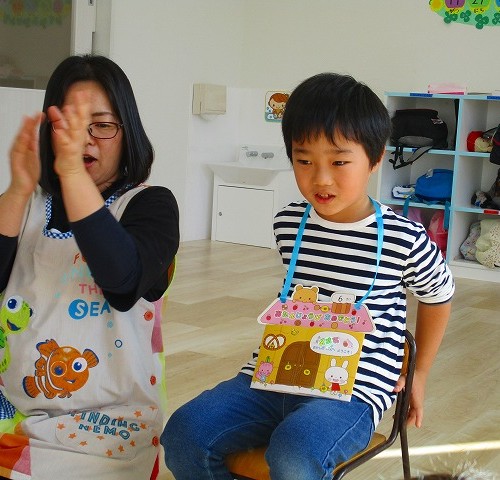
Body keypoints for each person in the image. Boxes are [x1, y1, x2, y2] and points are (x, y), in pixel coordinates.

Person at [161, 72, 454, 480]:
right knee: (184, 433)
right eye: (304, 160)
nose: (321, 178)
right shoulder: (288, 224)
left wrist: (418, 373)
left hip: (353, 391)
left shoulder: (403, 238)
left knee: (295, 450)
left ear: (375, 159)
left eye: (339, 161)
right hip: (275, 374)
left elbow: (439, 295)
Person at [0, 55, 179, 479]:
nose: (84, 141)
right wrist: (18, 189)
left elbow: (123, 281)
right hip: (13, 412)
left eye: (101, 126)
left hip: (107, 427)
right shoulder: (27, 206)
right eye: (70, 126)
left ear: (127, 131)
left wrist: (69, 173)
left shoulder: (149, 205)